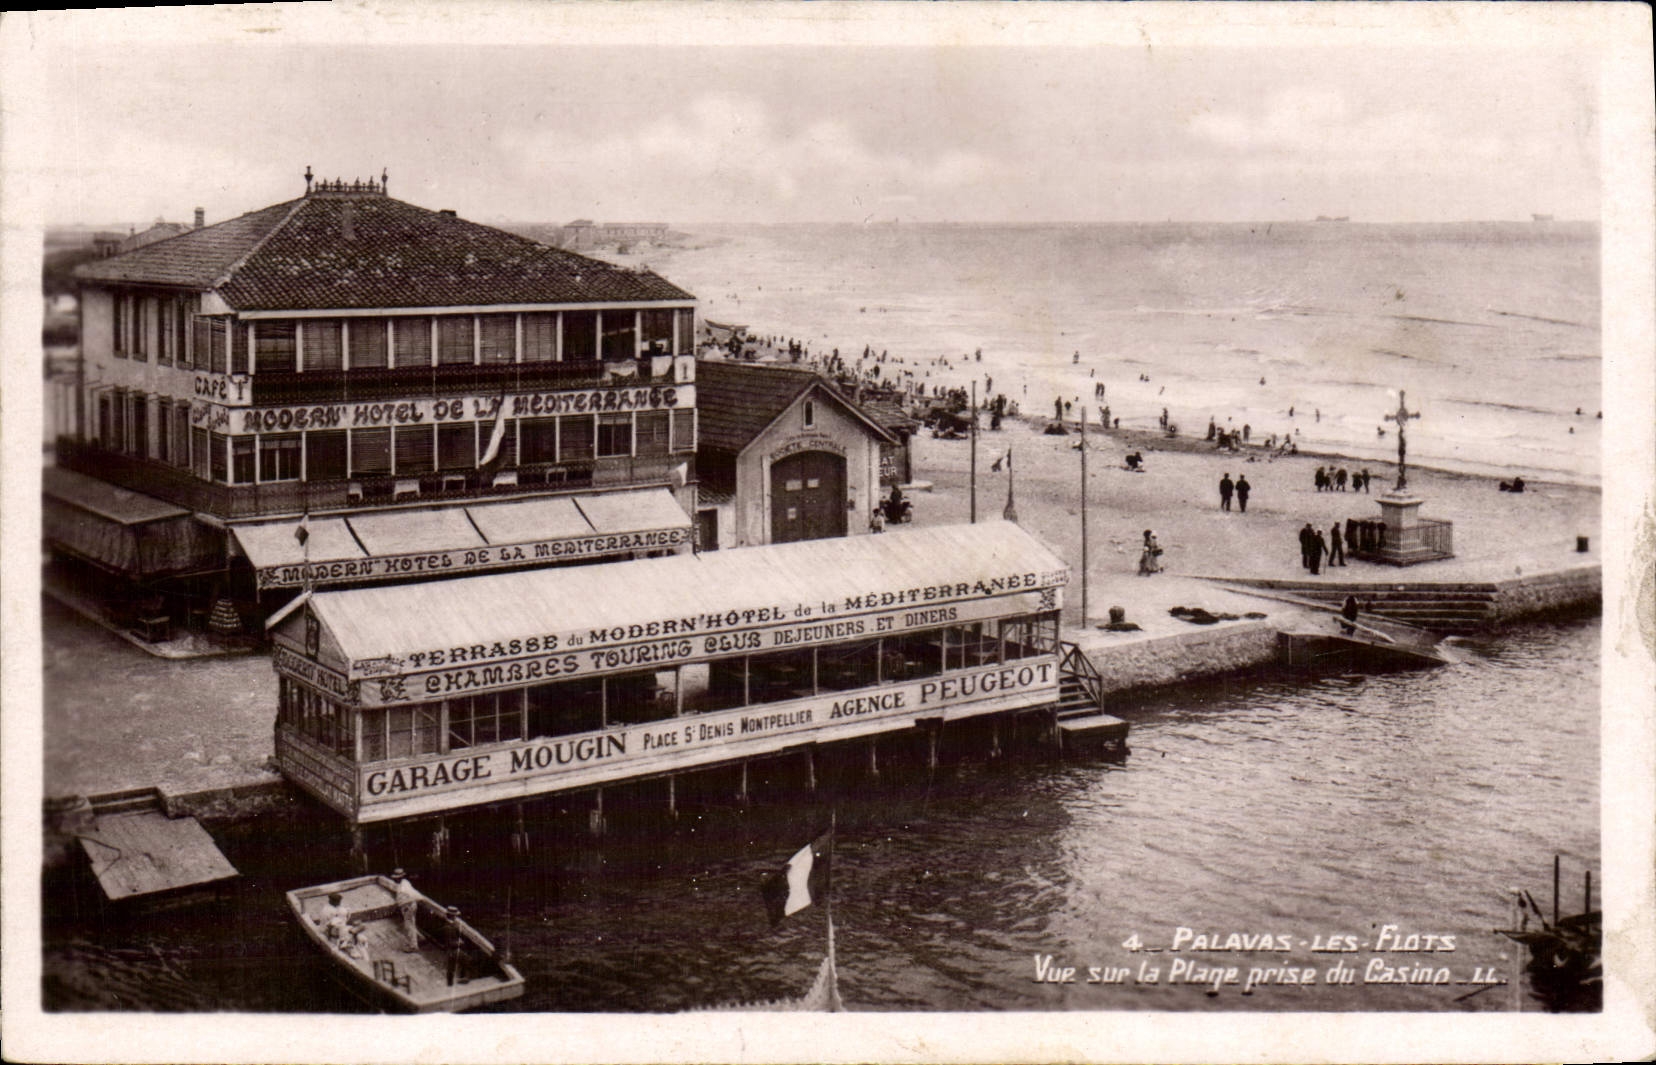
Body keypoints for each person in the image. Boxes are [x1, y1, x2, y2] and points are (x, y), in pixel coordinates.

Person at [392, 868, 421, 952]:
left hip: (408, 906)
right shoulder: (405, 882)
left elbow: (414, 895)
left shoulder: (403, 887)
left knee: (408, 925)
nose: (394, 879)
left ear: (399, 878)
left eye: (396, 878)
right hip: (410, 905)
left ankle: (413, 946)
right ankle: (419, 938)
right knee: (411, 922)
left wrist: (404, 904)